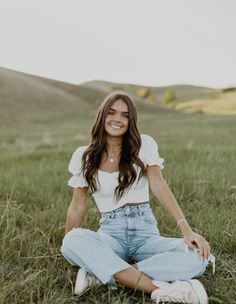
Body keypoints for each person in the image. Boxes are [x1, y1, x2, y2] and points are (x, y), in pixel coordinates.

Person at [60, 92, 215, 303]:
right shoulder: (84, 156)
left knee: (200, 257)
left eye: (125, 115)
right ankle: (159, 289)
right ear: (102, 115)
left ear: (131, 120)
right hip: (110, 235)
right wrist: (72, 246)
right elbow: (77, 206)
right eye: (111, 112)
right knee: (72, 240)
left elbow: (159, 185)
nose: (118, 119)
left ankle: (101, 275)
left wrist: (185, 229)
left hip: (146, 235)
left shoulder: (144, 145)